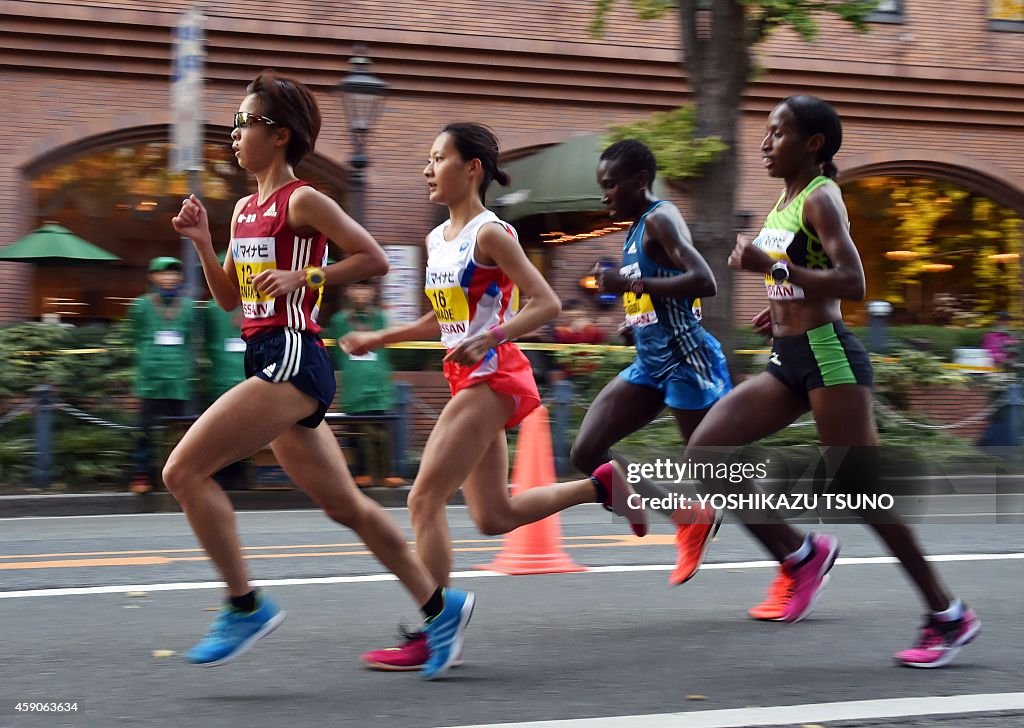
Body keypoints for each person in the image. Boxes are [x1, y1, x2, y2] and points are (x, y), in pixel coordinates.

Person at [167, 70, 471, 680]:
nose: (233, 134)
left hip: (294, 355)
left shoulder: (300, 199)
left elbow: (374, 259)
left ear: (278, 136)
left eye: (244, 122)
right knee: (347, 508)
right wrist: (202, 240)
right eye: (233, 124)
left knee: (182, 471)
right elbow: (230, 298)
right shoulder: (244, 211)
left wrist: (305, 279)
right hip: (264, 354)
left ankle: (244, 606)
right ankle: (443, 610)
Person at [675, 95, 979, 668]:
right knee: (707, 451)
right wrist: (779, 300)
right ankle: (802, 555)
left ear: (813, 144)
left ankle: (948, 613)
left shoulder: (822, 196)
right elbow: (806, 279)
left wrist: (773, 271)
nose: (766, 144)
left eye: (778, 133)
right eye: (766, 133)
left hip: (828, 358)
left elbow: (853, 281)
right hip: (789, 356)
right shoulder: (785, 201)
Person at [341, 122, 640, 671]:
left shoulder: (490, 233)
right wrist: (380, 337)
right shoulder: (437, 239)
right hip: (467, 376)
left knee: (422, 499)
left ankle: (436, 627)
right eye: (427, 160)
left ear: (471, 168)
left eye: (438, 159)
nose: (428, 170)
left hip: (493, 374)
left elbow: (545, 302)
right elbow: (444, 317)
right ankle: (599, 487)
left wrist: (491, 336)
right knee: (493, 516)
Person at [571, 139, 733, 587]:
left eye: (610, 185)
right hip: (650, 362)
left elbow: (705, 280)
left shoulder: (661, 217)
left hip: (687, 361)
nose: (604, 195)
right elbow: (659, 290)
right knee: (586, 452)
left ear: (640, 181)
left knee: (716, 474)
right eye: (601, 186)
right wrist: (637, 321)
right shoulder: (636, 227)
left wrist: (630, 283)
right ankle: (687, 517)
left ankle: (799, 553)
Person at [127, 256, 196, 495]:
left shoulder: (188, 306)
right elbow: (134, 338)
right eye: (164, 274)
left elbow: (189, 341)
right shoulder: (141, 305)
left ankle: (177, 477)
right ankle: (141, 474)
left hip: (178, 379)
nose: (169, 278)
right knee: (144, 430)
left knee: (181, 433)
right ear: (153, 277)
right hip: (150, 380)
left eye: (174, 274)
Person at [327, 280, 405, 487]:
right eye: (356, 287)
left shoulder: (380, 318)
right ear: (347, 291)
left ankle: (387, 471)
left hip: (379, 382)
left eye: (365, 288)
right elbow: (337, 351)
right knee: (356, 431)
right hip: (355, 384)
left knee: (383, 430)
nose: (361, 292)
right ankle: (361, 472)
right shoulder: (339, 320)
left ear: (373, 292)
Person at [202, 291, 249, 490]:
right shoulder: (212, 309)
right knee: (221, 431)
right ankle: (220, 473)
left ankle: (237, 473)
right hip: (221, 380)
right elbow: (206, 341)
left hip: (249, 381)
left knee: (243, 432)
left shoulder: (257, 304)